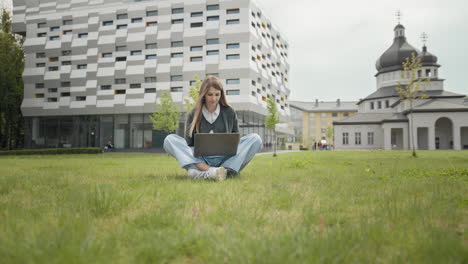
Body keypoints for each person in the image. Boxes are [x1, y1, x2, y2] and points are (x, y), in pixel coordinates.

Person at [163, 75, 263, 181]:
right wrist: (198, 161)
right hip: (201, 160)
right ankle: (210, 171)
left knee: (255, 139)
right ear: (203, 95)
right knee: (169, 140)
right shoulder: (193, 114)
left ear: (221, 94)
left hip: (226, 159)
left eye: (217, 94)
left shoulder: (229, 112)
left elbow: (236, 142)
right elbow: (188, 145)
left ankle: (211, 172)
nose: (214, 98)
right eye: (210, 94)